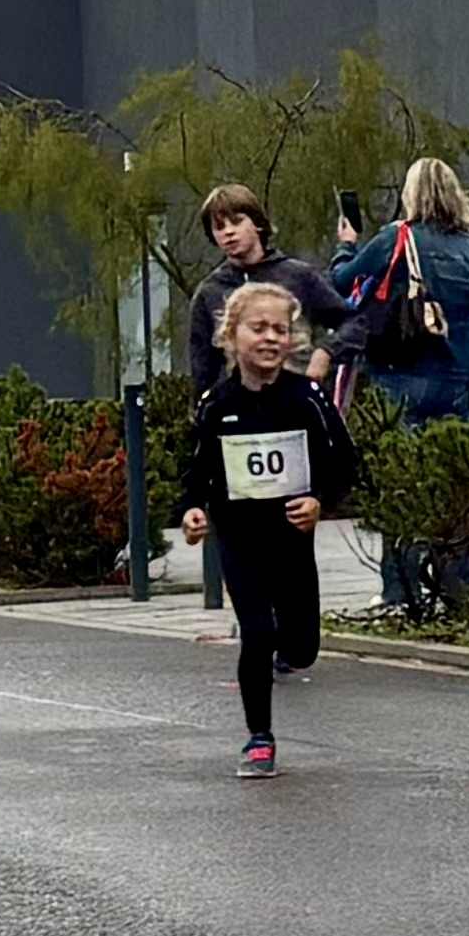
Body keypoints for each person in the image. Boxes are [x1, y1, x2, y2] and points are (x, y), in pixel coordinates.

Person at [177, 278, 356, 780]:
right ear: (231, 336)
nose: (271, 338)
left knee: (301, 647)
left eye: (280, 329)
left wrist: (320, 500)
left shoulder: (306, 396)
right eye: (258, 328)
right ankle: (259, 738)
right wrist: (192, 511)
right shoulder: (217, 402)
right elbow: (196, 470)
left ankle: (288, 648)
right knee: (257, 633)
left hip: (292, 539)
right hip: (240, 538)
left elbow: (344, 462)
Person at [333, 156, 469, 618]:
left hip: (399, 374)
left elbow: (341, 283)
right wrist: (457, 334)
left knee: (404, 483)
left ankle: (401, 590)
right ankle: (460, 588)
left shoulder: (396, 237)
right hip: (456, 380)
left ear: (411, 195)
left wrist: (346, 247)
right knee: (451, 482)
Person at [180, 186, 348, 398]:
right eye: (220, 227)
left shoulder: (298, 276)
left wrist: (326, 352)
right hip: (238, 405)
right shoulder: (209, 292)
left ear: (257, 223)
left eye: (237, 222)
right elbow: (203, 371)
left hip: (298, 400)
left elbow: (353, 322)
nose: (228, 232)